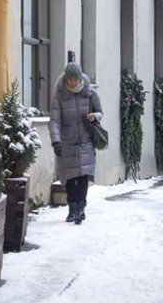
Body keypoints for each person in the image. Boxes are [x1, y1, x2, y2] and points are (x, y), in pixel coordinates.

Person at [49, 62, 103, 224]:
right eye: (71, 79)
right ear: (66, 79)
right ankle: (72, 208)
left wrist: (95, 116)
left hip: (86, 139)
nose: (74, 82)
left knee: (84, 175)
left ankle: (81, 207)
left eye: (77, 79)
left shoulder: (90, 93)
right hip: (67, 142)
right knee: (70, 178)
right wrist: (56, 141)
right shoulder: (59, 96)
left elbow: (100, 112)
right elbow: (54, 121)